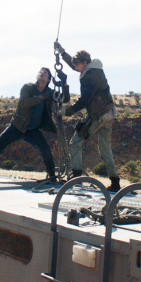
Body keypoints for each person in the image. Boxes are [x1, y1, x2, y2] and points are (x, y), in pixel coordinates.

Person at [53, 43, 119, 192]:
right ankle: (115, 183)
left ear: (84, 63)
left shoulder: (89, 77)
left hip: (98, 116)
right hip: (109, 115)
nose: (75, 68)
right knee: (105, 150)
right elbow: (72, 64)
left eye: (77, 65)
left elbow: (84, 100)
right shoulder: (93, 69)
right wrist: (62, 52)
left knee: (75, 142)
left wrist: (67, 111)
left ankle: (76, 179)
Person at [0, 67, 57, 182]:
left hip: (32, 130)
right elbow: (24, 103)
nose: (42, 74)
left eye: (45, 73)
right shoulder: (28, 87)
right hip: (17, 126)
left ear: (49, 79)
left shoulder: (50, 92)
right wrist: (41, 98)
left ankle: (52, 177)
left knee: (46, 150)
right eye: (40, 72)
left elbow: (64, 98)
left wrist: (64, 83)